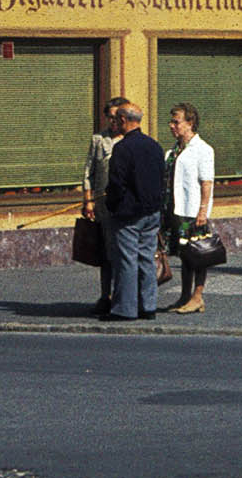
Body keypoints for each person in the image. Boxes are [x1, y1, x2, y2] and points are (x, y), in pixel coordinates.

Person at [103, 102, 164, 321]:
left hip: (128, 213)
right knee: (146, 259)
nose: (113, 123)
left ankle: (124, 309)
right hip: (151, 212)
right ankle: (148, 306)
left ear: (123, 120)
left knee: (126, 261)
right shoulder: (154, 145)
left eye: (116, 119)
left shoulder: (122, 148)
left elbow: (117, 182)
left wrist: (112, 204)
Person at [164, 102, 215, 314]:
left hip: (193, 210)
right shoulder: (174, 151)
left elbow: (206, 182)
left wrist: (203, 211)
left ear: (190, 123)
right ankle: (185, 295)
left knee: (199, 254)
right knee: (184, 254)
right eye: (172, 122)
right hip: (176, 209)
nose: (171, 126)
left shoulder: (203, 149)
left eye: (176, 122)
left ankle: (197, 296)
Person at [82, 96, 127, 315]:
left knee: (122, 251)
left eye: (117, 117)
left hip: (124, 204)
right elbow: (89, 172)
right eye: (109, 117)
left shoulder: (131, 139)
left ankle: (123, 295)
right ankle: (105, 295)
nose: (113, 122)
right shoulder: (99, 139)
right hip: (102, 204)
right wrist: (88, 200)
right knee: (106, 252)